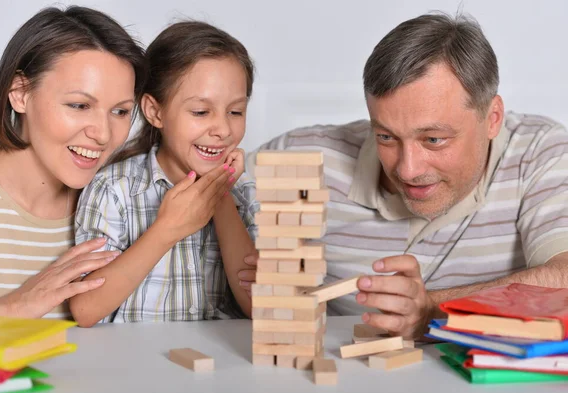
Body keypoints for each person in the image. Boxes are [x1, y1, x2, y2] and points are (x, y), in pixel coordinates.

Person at [244, 13, 568, 339]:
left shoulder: (540, 152)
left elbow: (564, 280)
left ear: (492, 118)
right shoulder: (303, 159)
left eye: (433, 139)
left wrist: (432, 308)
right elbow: (208, 178)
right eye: (386, 136)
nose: (408, 170)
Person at [70, 21, 257, 326]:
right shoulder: (114, 189)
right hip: (136, 365)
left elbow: (260, 306)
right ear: (155, 112)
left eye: (235, 111)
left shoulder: (245, 192)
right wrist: (167, 228)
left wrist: (220, 197)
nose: (223, 129)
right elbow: (86, 309)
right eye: (200, 112)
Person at [0, 6, 146, 319]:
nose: (103, 134)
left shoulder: (115, 204)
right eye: (79, 105)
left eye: (120, 111)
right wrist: (16, 306)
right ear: (20, 93)